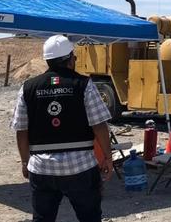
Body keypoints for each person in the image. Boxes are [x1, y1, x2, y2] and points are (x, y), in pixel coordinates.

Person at [12, 35, 114, 222]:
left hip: (41, 168)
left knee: (43, 218)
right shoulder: (84, 85)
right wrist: (108, 157)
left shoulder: (28, 88)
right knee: (90, 217)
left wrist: (24, 161)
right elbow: (99, 124)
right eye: (74, 57)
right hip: (80, 167)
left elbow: (21, 130)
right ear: (69, 59)